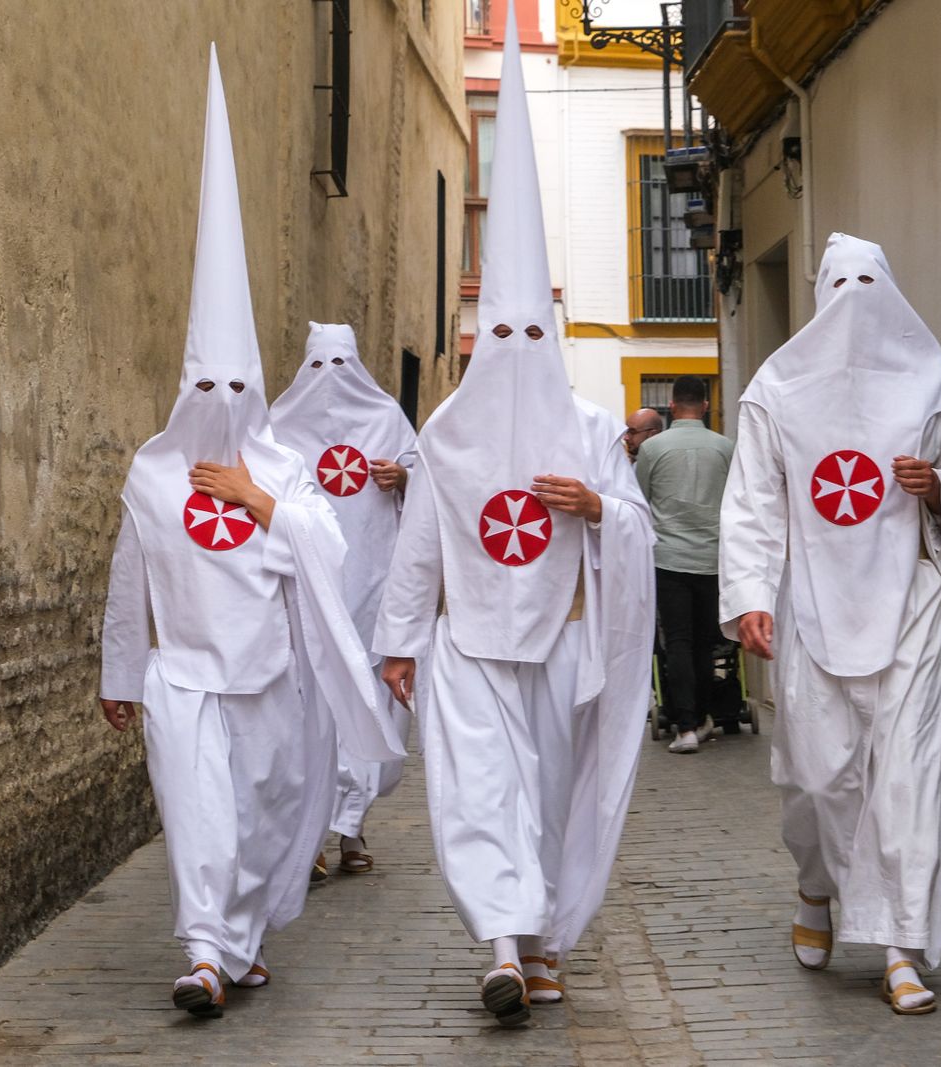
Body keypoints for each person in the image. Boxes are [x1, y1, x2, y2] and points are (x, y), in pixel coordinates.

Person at [97, 47, 403, 1020]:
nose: (223, 403)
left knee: (263, 817)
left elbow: (328, 539)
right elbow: (126, 575)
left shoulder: (280, 468)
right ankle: (202, 954)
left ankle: (238, 938)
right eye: (207, 389)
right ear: (188, 387)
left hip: (267, 675)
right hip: (182, 674)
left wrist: (257, 498)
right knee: (200, 818)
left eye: (238, 388)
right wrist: (118, 674)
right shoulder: (151, 470)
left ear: (257, 392)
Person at [374, 4, 654, 1028]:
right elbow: (418, 542)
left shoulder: (586, 426)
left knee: (539, 799)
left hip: (560, 646)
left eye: (539, 328)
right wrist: (400, 641)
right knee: (479, 796)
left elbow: (634, 528)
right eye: (506, 328)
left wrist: (596, 507)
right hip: (469, 646)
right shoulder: (446, 432)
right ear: (485, 331)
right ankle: (501, 945)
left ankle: (538, 943)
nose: (523, 341)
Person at [719, 233, 941, 1016]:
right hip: (813, 603)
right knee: (817, 777)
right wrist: (750, 593)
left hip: (911, 604)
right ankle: (817, 886)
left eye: (868, 281)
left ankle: (900, 946)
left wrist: (936, 489)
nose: (854, 297)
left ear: (889, 287)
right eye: (840, 283)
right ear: (821, 292)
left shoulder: (930, 378)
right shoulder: (777, 388)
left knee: (907, 779)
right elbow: (753, 499)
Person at [269, 322, 417, 879]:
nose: (329, 381)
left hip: (374, 582)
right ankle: (311, 837)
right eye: (317, 367)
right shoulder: (276, 428)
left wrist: (401, 476)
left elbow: (428, 487)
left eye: (340, 366)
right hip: (309, 587)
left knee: (369, 704)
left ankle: (352, 824)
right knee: (313, 711)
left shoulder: (386, 419)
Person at [634, 377, 734, 754]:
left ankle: (686, 725)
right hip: (712, 559)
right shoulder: (726, 448)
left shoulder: (653, 449)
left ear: (672, 407)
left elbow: (638, 501)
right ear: (705, 406)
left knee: (676, 640)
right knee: (706, 642)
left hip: (669, 558)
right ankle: (707, 716)